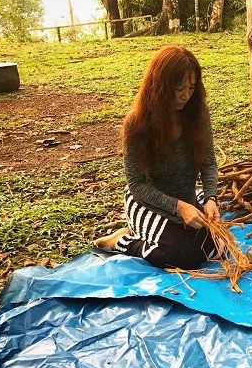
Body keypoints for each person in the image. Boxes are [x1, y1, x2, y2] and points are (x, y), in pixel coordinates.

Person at [93, 45, 220, 270]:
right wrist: (178, 207)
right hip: (146, 203)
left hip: (186, 200)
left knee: (215, 248)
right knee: (179, 256)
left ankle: (158, 233)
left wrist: (210, 199)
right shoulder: (137, 123)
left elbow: (208, 163)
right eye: (179, 88)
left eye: (191, 88)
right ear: (160, 87)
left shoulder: (198, 113)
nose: (186, 95)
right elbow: (137, 185)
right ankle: (121, 240)